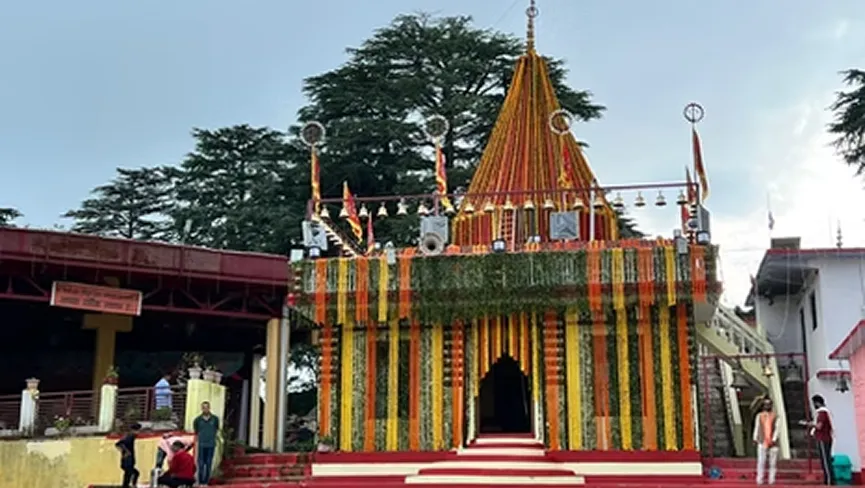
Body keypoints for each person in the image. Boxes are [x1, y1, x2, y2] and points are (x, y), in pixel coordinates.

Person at [805, 394, 835, 485]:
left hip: (823, 439)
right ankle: (827, 480)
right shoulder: (825, 413)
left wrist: (810, 424)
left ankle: (829, 481)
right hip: (825, 438)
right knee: (825, 459)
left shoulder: (822, 413)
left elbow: (819, 426)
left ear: (817, 403)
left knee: (825, 460)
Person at [753, 397, 779, 485]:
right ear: (763, 406)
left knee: (773, 462)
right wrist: (755, 438)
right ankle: (759, 480)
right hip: (762, 440)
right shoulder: (759, 416)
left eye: (769, 404)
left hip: (773, 442)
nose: (767, 406)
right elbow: (757, 427)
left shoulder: (775, 416)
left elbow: (777, 429)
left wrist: (774, 439)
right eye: (765, 404)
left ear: (771, 405)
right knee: (761, 461)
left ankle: (772, 480)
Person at [193, 401, 220, 485]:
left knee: (209, 463)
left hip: (211, 444)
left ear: (209, 408)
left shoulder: (215, 419)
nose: (205, 409)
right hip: (201, 444)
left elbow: (216, 429)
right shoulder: (197, 420)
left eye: (207, 407)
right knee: (201, 463)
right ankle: (200, 481)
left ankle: (206, 482)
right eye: (203, 407)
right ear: (201, 408)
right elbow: (196, 431)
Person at [115, 422, 141, 488]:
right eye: (138, 431)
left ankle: (128, 485)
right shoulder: (130, 436)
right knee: (134, 473)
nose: (138, 433)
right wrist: (126, 452)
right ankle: (133, 485)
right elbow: (119, 443)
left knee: (128, 475)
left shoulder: (130, 436)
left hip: (128, 461)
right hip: (127, 461)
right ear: (134, 430)